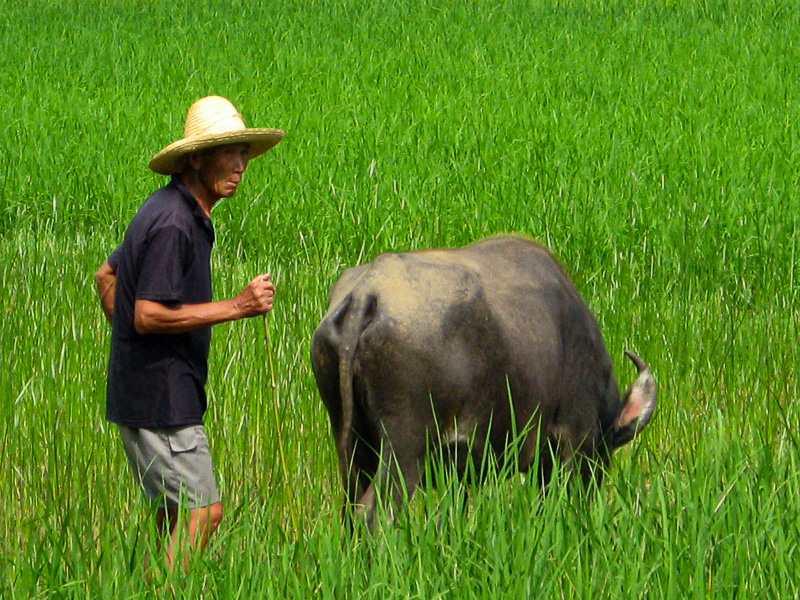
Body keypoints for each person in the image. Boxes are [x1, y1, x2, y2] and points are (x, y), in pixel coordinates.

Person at [94, 95, 284, 572]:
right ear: (195, 158)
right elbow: (148, 314)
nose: (240, 165)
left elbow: (105, 277)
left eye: (243, 152)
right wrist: (238, 307)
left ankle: (154, 583)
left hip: (141, 391)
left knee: (173, 514)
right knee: (203, 512)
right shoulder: (176, 223)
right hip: (162, 398)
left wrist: (130, 353)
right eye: (228, 153)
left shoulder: (165, 208)